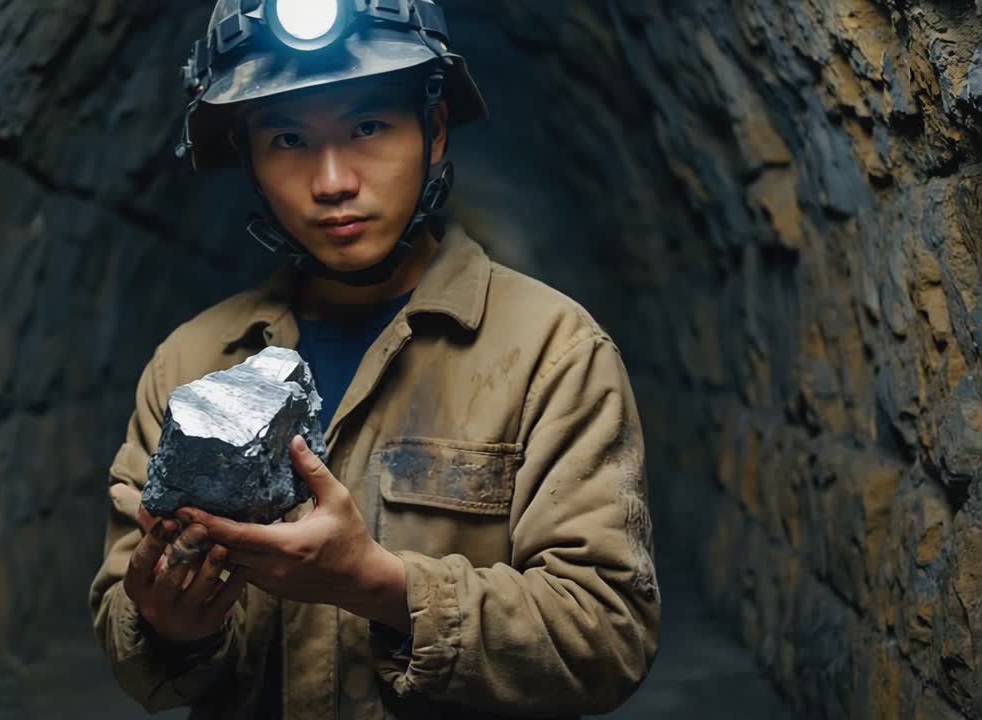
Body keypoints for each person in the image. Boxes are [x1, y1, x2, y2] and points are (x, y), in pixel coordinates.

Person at [88, 1, 661, 718]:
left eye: (368, 128)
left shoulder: (551, 352)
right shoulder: (192, 364)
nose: (331, 181)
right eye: (288, 139)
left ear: (435, 130)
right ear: (249, 160)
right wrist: (172, 630)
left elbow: (609, 636)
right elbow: (127, 635)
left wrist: (378, 585)